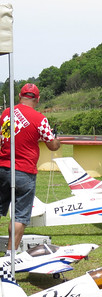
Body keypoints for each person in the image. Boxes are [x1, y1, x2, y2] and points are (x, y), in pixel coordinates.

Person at [0, 83, 60, 256]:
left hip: (3, 167)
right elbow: (52, 146)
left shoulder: (6, 113)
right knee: (19, 216)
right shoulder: (40, 119)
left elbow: (3, 136)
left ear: (20, 96)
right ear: (37, 99)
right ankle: (10, 257)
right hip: (24, 171)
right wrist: (57, 140)